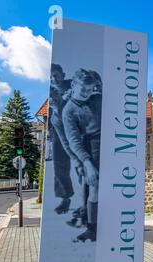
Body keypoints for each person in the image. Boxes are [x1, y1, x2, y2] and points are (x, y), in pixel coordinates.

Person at [63, 69, 102, 242]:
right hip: (90, 149)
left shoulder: (97, 98)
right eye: (83, 90)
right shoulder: (68, 111)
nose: (87, 94)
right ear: (73, 85)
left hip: (110, 143)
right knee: (94, 187)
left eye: (90, 89)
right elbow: (73, 141)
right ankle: (92, 229)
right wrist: (87, 164)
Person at [49, 64, 83, 214]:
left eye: (56, 75)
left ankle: (88, 197)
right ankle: (65, 197)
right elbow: (64, 141)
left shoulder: (72, 84)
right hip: (59, 128)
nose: (53, 78)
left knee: (84, 159)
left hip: (78, 126)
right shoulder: (50, 93)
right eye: (50, 76)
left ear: (63, 74)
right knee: (60, 162)